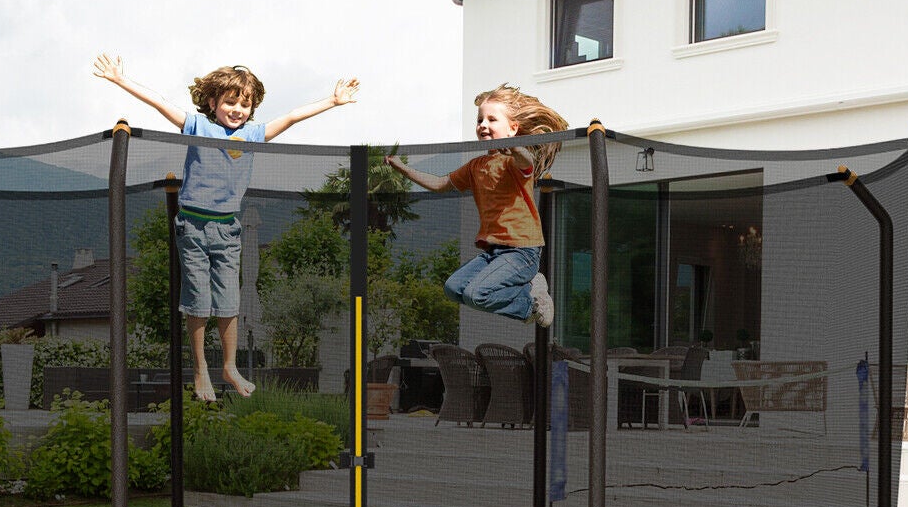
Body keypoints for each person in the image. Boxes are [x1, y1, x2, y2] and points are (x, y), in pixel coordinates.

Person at [93, 56, 359, 400]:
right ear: (212, 103)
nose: (237, 109)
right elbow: (159, 102)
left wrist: (332, 101)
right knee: (199, 300)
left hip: (229, 229)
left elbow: (291, 117)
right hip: (193, 226)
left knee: (229, 301)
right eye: (230, 102)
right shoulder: (197, 127)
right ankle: (201, 368)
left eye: (245, 104)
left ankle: (230, 367)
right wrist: (120, 80)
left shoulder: (252, 134)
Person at [386, 85, 564, 328]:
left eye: (492, 119)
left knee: (475, 294)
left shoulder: (514, 162)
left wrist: (515, 148)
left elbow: (527, 161)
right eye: (480, 119)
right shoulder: (475, 166)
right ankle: (529, 294)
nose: (483, 124)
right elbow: (440, 184)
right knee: (454, 289)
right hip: (495, 252)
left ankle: (529, 302)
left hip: (522, 250)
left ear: (513, 128)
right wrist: (404, 169)